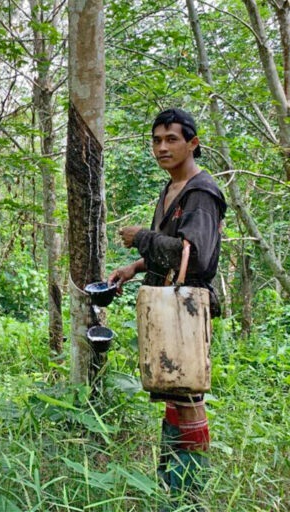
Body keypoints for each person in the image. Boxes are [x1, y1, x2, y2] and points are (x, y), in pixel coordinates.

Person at [108, 108, 227, 496]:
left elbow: (198, 258)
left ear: (193, 143)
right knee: (174, 391)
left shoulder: (202, 193)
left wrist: (142, 236)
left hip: (187, 311)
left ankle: (188, 492)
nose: (162, 147)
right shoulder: (171, 188)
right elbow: (173, 249)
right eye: (157, 140)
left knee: (188, 393)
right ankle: (171, 482)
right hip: (169, 306)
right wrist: (135, 267)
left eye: (171, 139)